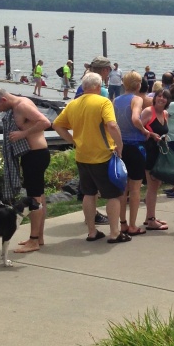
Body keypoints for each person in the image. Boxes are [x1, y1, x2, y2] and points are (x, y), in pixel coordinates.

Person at [52, 72, 128, 244]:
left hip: (82, 155)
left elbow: (57, 124)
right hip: (102, 155)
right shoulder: (103, 102)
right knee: (113, 195)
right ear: (97, 86)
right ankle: (115, 232)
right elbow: (112, 125)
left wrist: (72, 141)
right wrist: (120, 145)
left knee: (88, 193)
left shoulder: (73, 104)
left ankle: (92, 231)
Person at [0, 89, 52, 253]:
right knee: (39, 196)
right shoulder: (16, 106)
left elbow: (45, 122)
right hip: (33, 155)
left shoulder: (22, 105)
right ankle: (39, 237)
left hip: (36, 155)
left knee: (34, 199)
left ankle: (34, 240)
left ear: (3, 99)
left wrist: (23, 133)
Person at [113, 71, 148, 236]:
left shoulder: (116, 100)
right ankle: (133, 225)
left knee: (123, 187)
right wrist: (144, 130)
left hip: (121, 146)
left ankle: (123, 222)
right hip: (135, 145)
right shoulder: (137, 99)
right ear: (138, 84)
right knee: (135, 188)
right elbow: (135, 118)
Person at [140, 88, 171, 231]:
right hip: (150, 152)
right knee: (152, 187)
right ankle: (151, 220)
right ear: (154, 98)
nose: (161, 99)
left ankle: (149, 217)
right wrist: (150, 134)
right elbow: (138, 127)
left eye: (164, 97)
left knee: (155, 186)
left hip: (160, 152)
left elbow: (164, 131)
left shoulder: (165, 114)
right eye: (159, 96)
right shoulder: (148, 111)